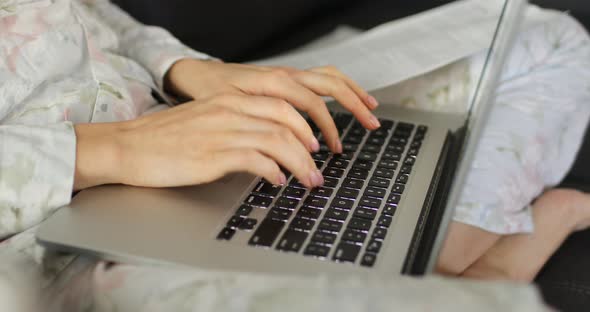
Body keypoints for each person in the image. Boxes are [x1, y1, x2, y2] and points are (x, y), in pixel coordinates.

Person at [0, 0, 589, 310]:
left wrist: (185, 70)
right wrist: (112, 151)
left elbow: (91, 13)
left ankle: (443, 253)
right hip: (50, 237)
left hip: (186, 108)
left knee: (542, 40)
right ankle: (475, 273)